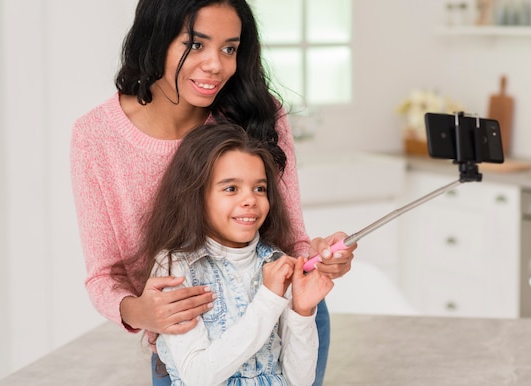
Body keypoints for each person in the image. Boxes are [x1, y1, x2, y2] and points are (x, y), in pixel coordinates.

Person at [70, 0, 356, 385]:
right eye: (195, 44)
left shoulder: (259, 115)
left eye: (229, 48)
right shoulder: (96, 138)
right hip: (188, 342)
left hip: (288, 323)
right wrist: (143, 313)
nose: (216, 65)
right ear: (155, 39)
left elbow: (291, 241)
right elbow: (104, 275)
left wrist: (319, 259)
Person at [127, 122, 334, 385]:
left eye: (259, 188)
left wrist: (302, 313)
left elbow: (300, 381)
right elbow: (198, 375)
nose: (250, 199)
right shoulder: (175, 268)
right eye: (231, 188)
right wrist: (269, 300)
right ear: (196, 195)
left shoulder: (276, 263)